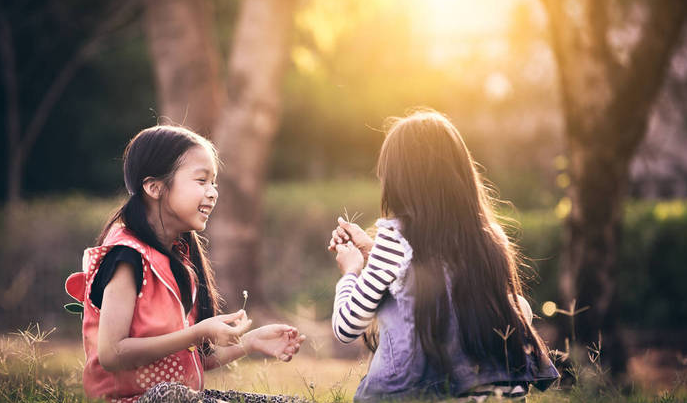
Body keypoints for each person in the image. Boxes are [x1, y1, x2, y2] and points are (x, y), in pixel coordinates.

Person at [328, 110, 559, 402]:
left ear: (400, 180)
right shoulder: (487, 238)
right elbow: (434, 282)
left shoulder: (394, 238)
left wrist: (351, 270)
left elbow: (346, 327)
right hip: (497, 395)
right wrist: (372, 252)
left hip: (412, 394)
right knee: (517, 304)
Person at [65, 125, 306, 403]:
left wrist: (252, 342)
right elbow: (111, 354)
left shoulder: (178, 258)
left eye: (214, 182)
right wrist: (197, 333)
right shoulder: (126, 257)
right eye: (201, 181)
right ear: (154, 187)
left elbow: (188, 359)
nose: (213, 192)